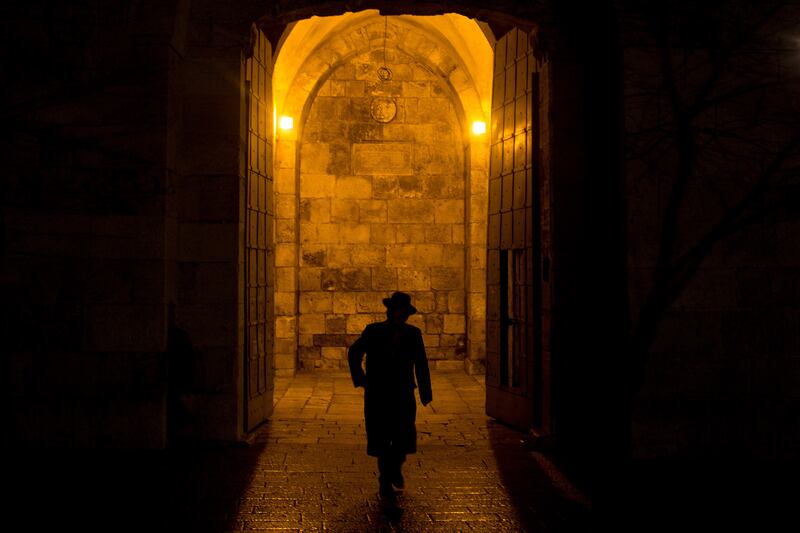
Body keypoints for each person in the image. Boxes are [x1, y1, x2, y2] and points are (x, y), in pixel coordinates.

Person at [348, 291, 433, 500]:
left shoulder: (413, 334)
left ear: (406, 314)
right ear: (389, 310)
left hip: (403, 392)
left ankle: (394, 467)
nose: (399, 314)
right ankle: (385, 479)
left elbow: (421, 362)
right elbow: (354, 352)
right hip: (378, 393)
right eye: (396, 310)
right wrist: (362, 379)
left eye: (402, 311)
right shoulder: (373, 331)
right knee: (381, 437)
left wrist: (425, 391)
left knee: (403, 434)